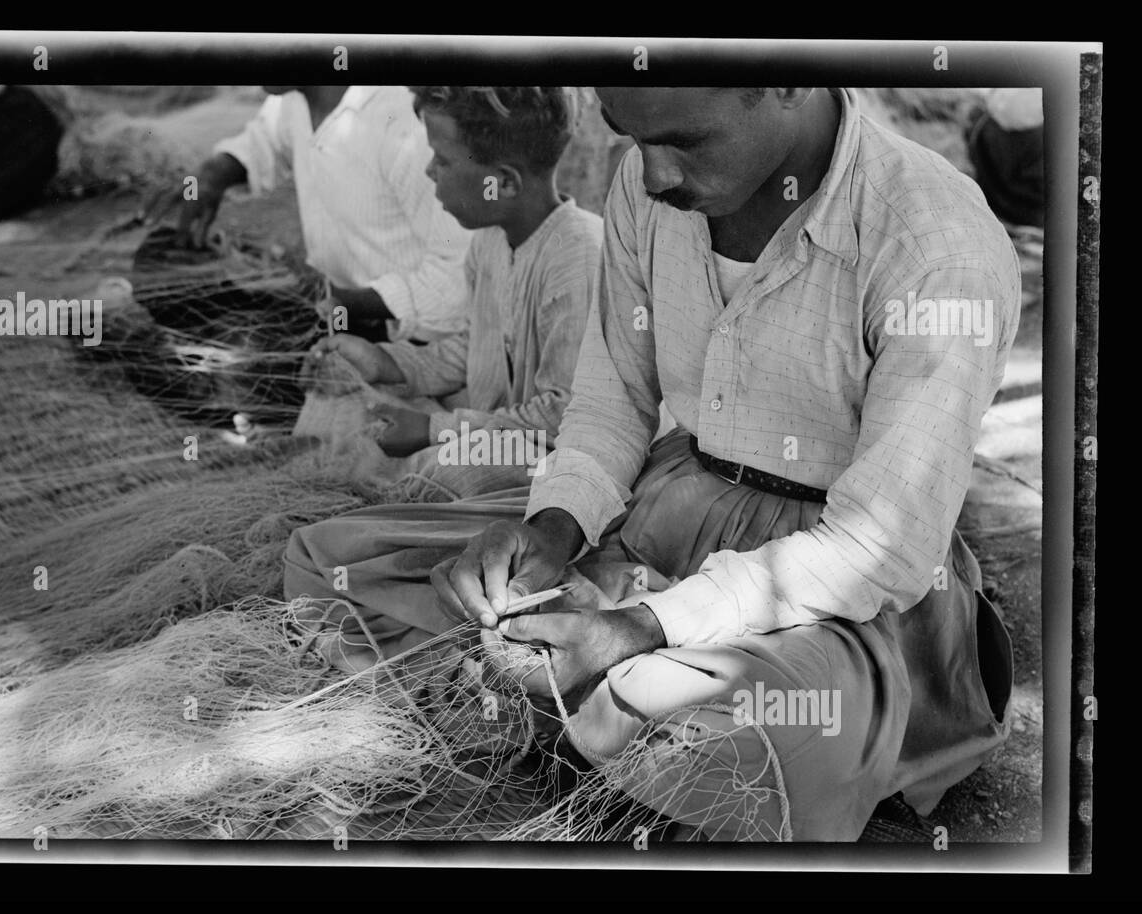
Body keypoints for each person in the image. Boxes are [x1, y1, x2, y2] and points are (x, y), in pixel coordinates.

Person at [286, 87, 1021, 841]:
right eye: (630, 138)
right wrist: (553, 528)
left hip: (834, 588)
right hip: (663, 512)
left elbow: (880, 549)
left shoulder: (933, 243)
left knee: (752, 738)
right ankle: (585, 708)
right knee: (336, 561)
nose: (652, 177)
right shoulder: (647, 184)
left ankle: (577, 701)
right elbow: (613, 405)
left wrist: (638, 627)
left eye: (683, 141)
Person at [305, 86, 602, 498]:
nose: (429, 171)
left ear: (503, 183)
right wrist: (386, 363)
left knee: (449, 470)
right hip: (502, 436)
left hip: (568, 458)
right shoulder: (490, 242)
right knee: (350, 405)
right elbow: (476, 348)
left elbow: (565, 414)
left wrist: (434, 430)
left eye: (442, 160)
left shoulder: (578, 254)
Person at [180, 86, 472, 342]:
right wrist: (211, 177)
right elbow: (263, 139)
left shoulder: (407, 124)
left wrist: (322, 297)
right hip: (338, 317)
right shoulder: (294, 97)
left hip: (418, 348)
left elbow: (457, 284)